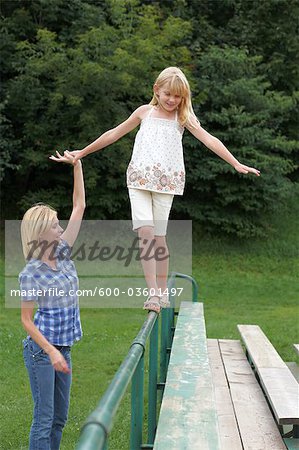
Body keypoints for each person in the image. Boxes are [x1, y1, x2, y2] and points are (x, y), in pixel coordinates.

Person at [70, 66, 260, 314]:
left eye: (178, 96)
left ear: (183, 98)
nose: (172, 100)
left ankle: (162, 291)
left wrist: (235, 162)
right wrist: (82, 152)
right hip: (138, 180)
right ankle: (152, 294)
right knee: (146, 232)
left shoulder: (183, 118)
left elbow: (210, 139)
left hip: (165, 184)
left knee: (159, 237)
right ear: (156, 90)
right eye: (168, 94)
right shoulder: (144, 113)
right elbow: (114, 134)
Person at [20, 151, 85, 450]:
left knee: (60, 418)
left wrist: (77, 164)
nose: (61, 229)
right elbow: (25, 321)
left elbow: (79, 205)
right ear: (41, 232)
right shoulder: (31, 272)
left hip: (64, 349)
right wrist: (51, 352)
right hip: (41, 352)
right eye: (56, 226)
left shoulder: (63, 252)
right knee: (44, 417)